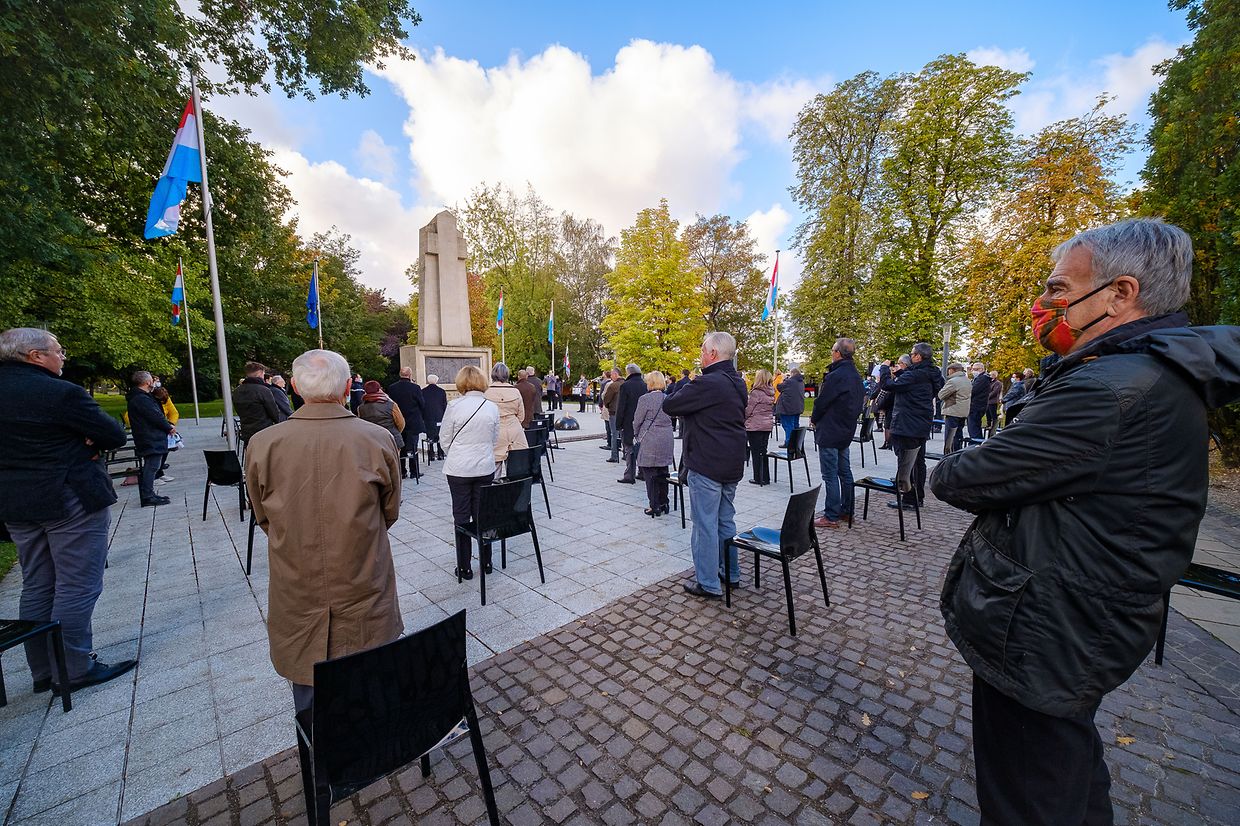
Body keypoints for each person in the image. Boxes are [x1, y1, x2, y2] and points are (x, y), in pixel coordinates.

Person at [933, 218, 1240, 824]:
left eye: (1059, 288)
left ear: (1122, 293)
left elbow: (961, 477)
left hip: (1050, 625)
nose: (1046, 304)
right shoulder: (1150, 372)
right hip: (1080, 612)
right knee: (1065, 775)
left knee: (1030, 794)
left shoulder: (1112, 388)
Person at [246, 349, 403, 714]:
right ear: (349, 387)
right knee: (366, 679)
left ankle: (324, 755)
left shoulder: (263, 444)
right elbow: (389, 512)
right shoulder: (377, 439)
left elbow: (263, 516)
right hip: (361, 578)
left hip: (300, 583)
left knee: (311, 698)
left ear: (296, 387)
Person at [0, 327, 137, 694]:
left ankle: (43, 669)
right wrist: (83, 440)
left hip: (17, 501)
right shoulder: (58, 393)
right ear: (34, 356)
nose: (63, 357)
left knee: (38, 582)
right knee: (77, 584)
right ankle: (73, 668)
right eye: (58, 351)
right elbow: (112, 434)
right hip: (68, 497)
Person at [663, 332, 747, 599]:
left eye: (702, 351)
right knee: (725, 520)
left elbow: (670, 404)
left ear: (712, 354)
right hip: (731, 461)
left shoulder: (709, 382)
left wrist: (688, 381)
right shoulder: (737, 381)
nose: (699, 356)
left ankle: (708, 582)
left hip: (708, 462)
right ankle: (730, 572)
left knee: (705, 524)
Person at [440, 365, 500, 580]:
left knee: (461, 516)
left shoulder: (454, 406)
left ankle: (464, 566)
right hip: (484, 466)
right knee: (484, 514)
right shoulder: (491, 407)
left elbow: (444, 438)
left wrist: (456, 453)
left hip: (459, 469)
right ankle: (487, 561)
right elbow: (494, 439)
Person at [809, 338, 865, 528]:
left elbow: (822, 401)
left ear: (838, 353)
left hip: (832, 430)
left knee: (830, 475)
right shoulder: (856, 376)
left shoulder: (837, 375)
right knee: (844, 472)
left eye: (833, 350)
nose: (831, 353)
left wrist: (814, 418)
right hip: (845, 429)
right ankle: (846, 511)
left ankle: (831, 515)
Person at [886, 344, 943, 508]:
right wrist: (901, 373)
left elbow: (888, 385)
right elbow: (915, 382)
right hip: (921, 422)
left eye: (912, 354)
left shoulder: (916, 374)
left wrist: (884, 370)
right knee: (918, 461)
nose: (911, 357)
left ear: (918, 357)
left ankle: (909, 498)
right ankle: (917, 496)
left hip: (907, 424)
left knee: (906, 462)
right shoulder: (931, 373)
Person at [127, 371, 176, 507]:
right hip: (149, 437)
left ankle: (149, 493)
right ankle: (147, 495)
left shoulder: (141, 397)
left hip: (149, 436)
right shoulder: (141, 399)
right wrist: (168, 427)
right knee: (152, 465)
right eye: (152, 381)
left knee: (152, 465)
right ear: (147, 382)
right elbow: (155, 416)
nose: (154, 383)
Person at [632, 370, 673, 516]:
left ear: (650, 382)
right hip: (666, 437)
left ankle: (654, 505)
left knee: (650, 472)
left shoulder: (645, 399)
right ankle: (664, 503)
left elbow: (637, 421)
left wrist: (636, 434)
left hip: (650, 438)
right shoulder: (669, 398)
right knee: (663, 471)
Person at [485, 363, 528, 473]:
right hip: (514, 430)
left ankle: (495, 489)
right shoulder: (515, 391)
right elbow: (521, 415)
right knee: (515, 468)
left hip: (494, 431)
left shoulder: (486, 392)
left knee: (494, 469)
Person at [387, 367, 426, 477]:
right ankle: (414, 471)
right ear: (410, 375)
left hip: (398, 422)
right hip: (413, 422)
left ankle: (402, 471)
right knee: (413, 447)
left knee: (401, 446)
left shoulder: (392, 388)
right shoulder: (415, 388)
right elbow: (422, 404)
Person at [233, 362, 281, 447]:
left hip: (246, 431)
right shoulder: (263, 390)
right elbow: (274, 413)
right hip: (264, 432)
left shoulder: (237, 391)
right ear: (260, 374)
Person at [357, 380, 406, 461]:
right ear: (379, 389)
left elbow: (362, 426)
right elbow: (401, 423)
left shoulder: (361, 408)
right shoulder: (391, 405)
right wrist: (395, 433)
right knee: (393, 466)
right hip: (392, 440)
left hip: (372, 442)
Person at [614, 363, 646, 484]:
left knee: (629, 448)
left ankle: (629, 475)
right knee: (641, 448)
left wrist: (618, 424)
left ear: (629, 372)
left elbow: (621, 407)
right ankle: (642, 472)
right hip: (642, 422)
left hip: (629, 421)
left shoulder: (626, 386)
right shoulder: (645, 385)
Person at [744, 369, 775, 486]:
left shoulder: (756, 392)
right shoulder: (771, 392)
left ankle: (758, 477)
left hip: (755, 425)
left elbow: (748, 410)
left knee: (756, 452)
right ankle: (765, 477)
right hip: (766, 425)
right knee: (763, 451)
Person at [937, 363, 970, 454]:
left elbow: (941, 395)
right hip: (963, 411)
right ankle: (957, 454)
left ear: (952, 370)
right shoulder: (967, 380)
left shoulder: (953, 381)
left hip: (952, 411)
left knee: (950, 438)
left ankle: (948, 457)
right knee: (958, 435)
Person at [774, 366, 805, 447]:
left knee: (788, 425)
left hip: (787, 408)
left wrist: (784, 379)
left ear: (792, 374)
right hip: (797, 407)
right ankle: (797, 443)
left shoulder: (789, 381)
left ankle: (789, 443)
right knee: (795, 425)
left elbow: (779, 387)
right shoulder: (801, 382)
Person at [422, 374, 448, 461]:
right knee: (439, 435)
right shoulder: (441, 391)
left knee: (429, 436)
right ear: (436, 381)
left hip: (428, 417)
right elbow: (444, 405)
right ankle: (440, 454)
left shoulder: (423, 391)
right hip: (439, 417)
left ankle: (431, 454)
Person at [602, 368, 623, 462]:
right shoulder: (626, 384)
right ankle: (626, 454)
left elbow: (606, 399)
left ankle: (614, 455)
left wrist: (608, 406)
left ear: (615, 374)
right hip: (624, 413)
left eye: (611, 374)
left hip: (614, 412)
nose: (610, 376)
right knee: (623, 434)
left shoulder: (613, 385)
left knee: (614, 434)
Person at [966, 362, 991, 441]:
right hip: (978, 405)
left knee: (973, 427)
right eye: (973, 369)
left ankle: (975, 443)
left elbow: (973, 390)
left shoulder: (982, 378)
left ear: (982, 369)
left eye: (976, 369)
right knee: (975, 426)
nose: (973, 371)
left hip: (976, 406)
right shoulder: (980, 378)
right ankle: (976, 442)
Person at [985, 369, 1002, 435]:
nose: (989, 376)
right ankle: (988, 424)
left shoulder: (997, 383)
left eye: (991, 375)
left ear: (994, 376)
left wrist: (987, 396)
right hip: (988, 401)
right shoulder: (989, 382)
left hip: (993, 401)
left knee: (993, 414)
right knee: (988, 414)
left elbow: (994, 392)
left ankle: (994, 426)